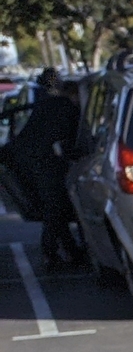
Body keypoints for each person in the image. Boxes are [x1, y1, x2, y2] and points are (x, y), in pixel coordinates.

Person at [6, 70, 83, 269]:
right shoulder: (67, 109)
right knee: (55, 207)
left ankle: (68, 251)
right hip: (43, 162)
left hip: (30, 160)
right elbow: (72, 140)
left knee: (54, 207)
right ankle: (53, 252)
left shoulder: (48, 105)